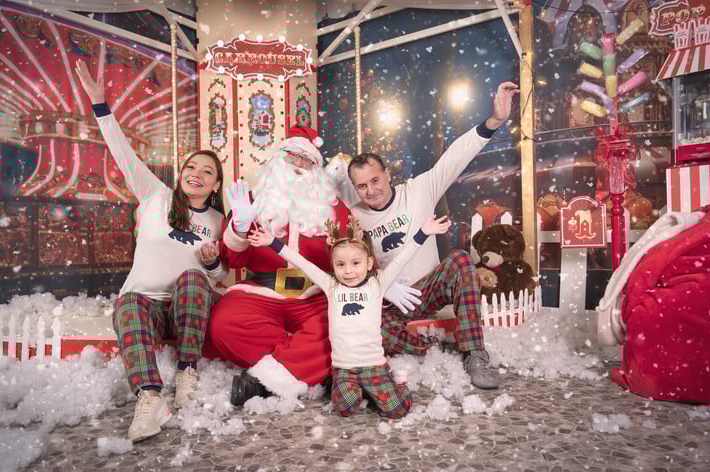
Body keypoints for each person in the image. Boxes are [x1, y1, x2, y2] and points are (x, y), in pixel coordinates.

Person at [76, 60, 228, 441]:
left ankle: (187, 371)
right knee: (127, 301)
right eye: (191, 166)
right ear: (181, 173)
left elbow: (219, 276)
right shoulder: (155, 196)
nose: (196, 172)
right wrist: (100, 107)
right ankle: (149, 398)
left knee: (194, 277)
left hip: (186, 310)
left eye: (207, 171)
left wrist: (213, 263)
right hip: (146, 305)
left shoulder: (217, 220)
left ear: (214, 186)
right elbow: (122, 152)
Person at [342, 81, 520, 389]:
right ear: (354, 188)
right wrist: (382, 289)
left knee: (462, 260)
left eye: (375, 180)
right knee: (365, 327)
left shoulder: (419, 189)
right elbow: (348, 268)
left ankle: (476, 353)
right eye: (362, 186)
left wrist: (494, 122)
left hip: (429, 289)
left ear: (387, 173)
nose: (370, 190)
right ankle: (437, 351)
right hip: (391, 302)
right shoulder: (354, 216)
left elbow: (455, 156)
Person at [203, 124, 352, 406]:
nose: (299, 165)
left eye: (307, 160)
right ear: (276, 160)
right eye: (292, 157)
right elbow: (232, 259)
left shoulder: (334, 208)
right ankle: (313, 363)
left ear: (317, 170)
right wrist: (240, 227)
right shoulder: (252, 201)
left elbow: (353, 252)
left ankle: (262, 382)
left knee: (346, 322)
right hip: (261, 292)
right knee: (223, 324)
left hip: (315, 296)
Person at [247, 213, 451, 417]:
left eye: (356, 263)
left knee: (397, 410)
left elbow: (402, 258)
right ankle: (353, 390)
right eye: (341, 265)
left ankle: (396, 384)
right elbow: (302, 263)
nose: (348, 271)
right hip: (344, 370)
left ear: (369, 263)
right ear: (333, 265)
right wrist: (272, 242)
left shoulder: (377, 285)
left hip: (374, 367)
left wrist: (424, 232)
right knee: (346, 407)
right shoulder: (331, 286)